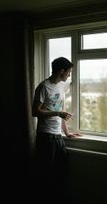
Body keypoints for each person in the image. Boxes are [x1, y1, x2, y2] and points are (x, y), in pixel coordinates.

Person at [32, 56, 82, 202]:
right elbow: (35, 111)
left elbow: (61, 110)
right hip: (45, 137)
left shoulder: (61, 87)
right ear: (62, 71)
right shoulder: (43, 87)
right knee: (46, 175)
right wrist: (57, 113)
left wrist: (66, 132)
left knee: (62, 173)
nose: (69, 75)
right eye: (69, 72)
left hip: (58, 137)